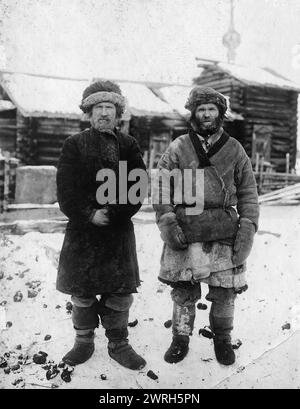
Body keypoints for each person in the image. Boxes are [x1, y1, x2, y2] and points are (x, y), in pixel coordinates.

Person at [153, 86, 259, 365]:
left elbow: (248, 191)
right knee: (184, 290)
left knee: (224, 291)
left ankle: (222, 339)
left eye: (212, 109)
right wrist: (167, 220)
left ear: (220, 113)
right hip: (186, 227)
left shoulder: (235, 149)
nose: (207, 114)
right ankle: (180, 338)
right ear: (194, 114)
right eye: (202, 109)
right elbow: (162, 187)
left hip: (223, 228)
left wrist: (247, 227)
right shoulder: (178, 147)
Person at [56, 80, 146, 370]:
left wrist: (116, 212)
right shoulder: (74, 145)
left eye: (109, 107)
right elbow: (65, 191)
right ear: (89, 113)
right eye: (98, 108)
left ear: (118, 113)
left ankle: (119, 343)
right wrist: (89, 214)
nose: (104, 113)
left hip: (118, 232)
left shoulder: (129, 145)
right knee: (81, 292)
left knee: (120, 291)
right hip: (82, 232)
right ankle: (83, 342)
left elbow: (138, 186)